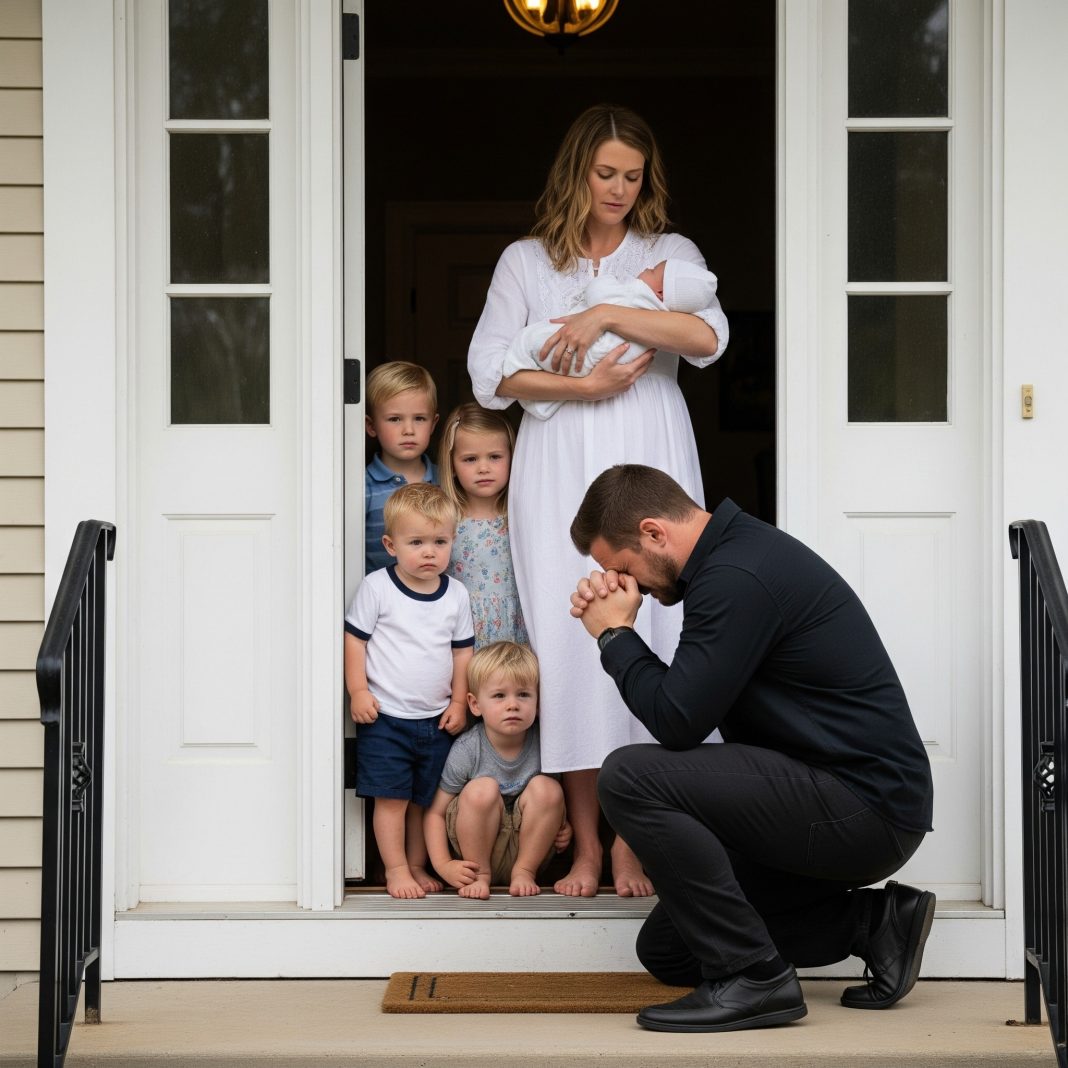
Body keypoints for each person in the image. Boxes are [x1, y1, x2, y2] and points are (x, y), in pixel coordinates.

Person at [567, 464, 935, 1033]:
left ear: (654, 533)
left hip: (862, 805)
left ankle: (758, 979)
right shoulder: (731, 560)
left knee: (629, 776)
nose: (626, 585)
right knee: (670, 950)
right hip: (826, 796)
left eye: (622, 568)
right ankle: (873, 923)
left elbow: (677, 721)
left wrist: (614, 636)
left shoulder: (737, 575)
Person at [467, 103, 729, 898]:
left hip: (648, 445)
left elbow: (710, 340)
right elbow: (490, 375)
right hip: (560, 461)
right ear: (576, 172)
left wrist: (609, 311)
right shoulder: (525, 261)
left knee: (660, 621)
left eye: (633, 175)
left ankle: (637, 840)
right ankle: (588, 845)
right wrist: (583, 383)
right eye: (605, 173)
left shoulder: (669, 253)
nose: (619, 188)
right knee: (574, 635)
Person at [345, 482, 475, 899]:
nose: (429, 552)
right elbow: (355, 641)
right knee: (392, 801)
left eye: (439, 541)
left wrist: (458, 702)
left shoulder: (456, 594)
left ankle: (418, 865)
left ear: (452, 541)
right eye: (416, 542)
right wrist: (358, 691)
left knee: (424, 802)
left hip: (435, 719)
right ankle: (395, 868)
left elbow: (461, 654)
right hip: (387, 718)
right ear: (391, 544)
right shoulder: (377, 587)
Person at [424, 641, 572, 898]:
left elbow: (551, 804)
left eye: (523, 694)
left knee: (548, 788)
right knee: (481, 789)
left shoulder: (545, 742)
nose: (512, 705)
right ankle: (481, 876)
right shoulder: (468, 748)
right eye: (499, 696)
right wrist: (443, 865)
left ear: (538, 702)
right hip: (476, 853)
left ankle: (524, 872)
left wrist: (565, 825)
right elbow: (435, 814)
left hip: (528, 854)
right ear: (475, 704)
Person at [501, 258, 719, 420]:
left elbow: (708, 340)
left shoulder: (637, 293)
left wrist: (603, 313)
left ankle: (520, 365)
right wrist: (586, 388)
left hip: (593, 358)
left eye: (652, 270)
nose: (644, 269)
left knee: (532, 341)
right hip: (611, 367)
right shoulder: (521, 258)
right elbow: (488, 376)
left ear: (660, 292)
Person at [438, 403, 529, 648]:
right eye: (470, 459)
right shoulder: (444, 521)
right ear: (452, 465)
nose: (483, 468)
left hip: (515, 632)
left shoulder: (521, 517)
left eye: (495, 457)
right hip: (463, 636)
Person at [364, 361, 440, 575]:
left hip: (436, 600)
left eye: (419, 418)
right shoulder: (363, 486)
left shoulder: (446, 480)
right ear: (371, 426)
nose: (408, 430)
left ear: (433, 424)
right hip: (383, 603)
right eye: (395, 419)